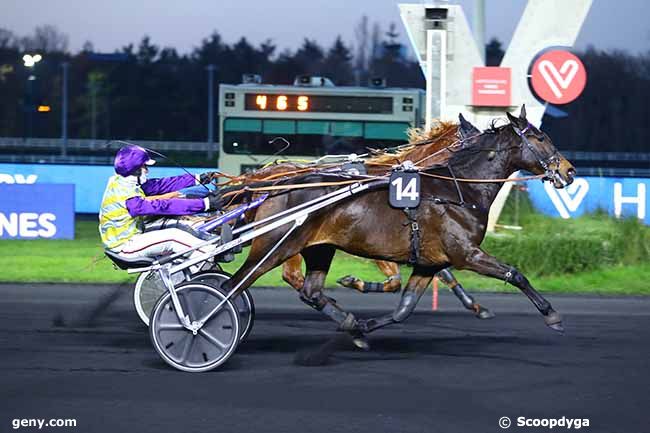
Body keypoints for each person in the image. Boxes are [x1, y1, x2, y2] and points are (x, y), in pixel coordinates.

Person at [98, 144, 223, 261]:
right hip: (124, 247)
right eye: (144, 167)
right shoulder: (127, 196)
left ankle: (206, 252)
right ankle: (215, 252)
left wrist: (197, 179)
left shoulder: (123, 182)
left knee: (177, 224)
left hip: (133, 238)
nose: (147, 171)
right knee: (173, 237)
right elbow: (163, 206)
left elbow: (160, 185)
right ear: (136, 171)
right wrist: (204, 204)